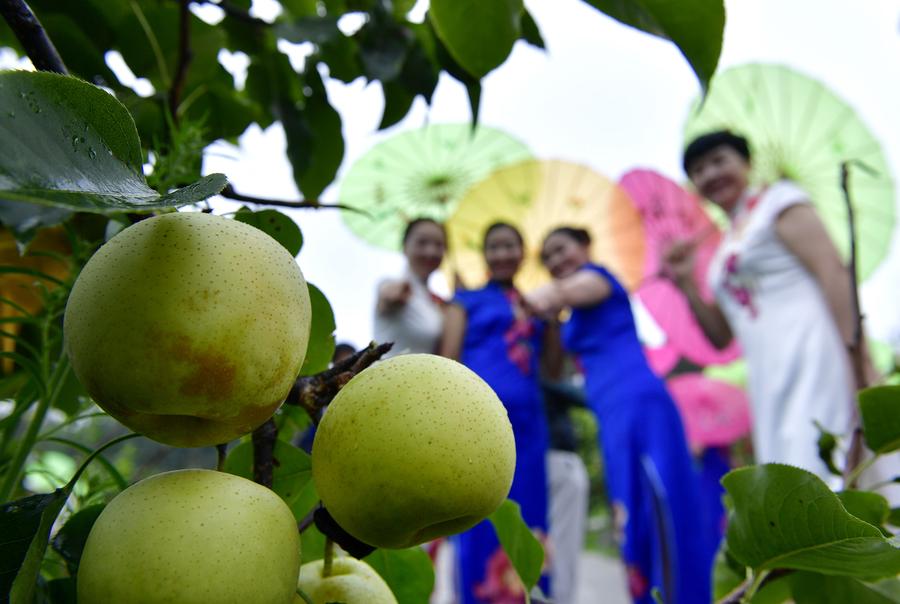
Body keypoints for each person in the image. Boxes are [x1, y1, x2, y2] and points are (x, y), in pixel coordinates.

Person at [663, 130, 871, 482]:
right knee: (790, 470)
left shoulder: (780, 202)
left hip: (812, 352)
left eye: (719, 161)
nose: (711, 174)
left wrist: (858, 356)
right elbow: (720, 335)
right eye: (699, 170)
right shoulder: (725, 243)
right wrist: (686, 283)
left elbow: (832, 272)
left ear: (746, 163)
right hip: (766, 372)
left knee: (826, 459)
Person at [530, 226, 713, 604]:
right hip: (609, 412)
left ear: (585, 246)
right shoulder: (568, 314)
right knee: (627, 506)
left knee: (659, 498)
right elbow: (552, 369)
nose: (555, 261)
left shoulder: (599, 279)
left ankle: (684, 595)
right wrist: (547, 319)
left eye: (561, 249)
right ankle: (648, 594)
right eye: (547, 258)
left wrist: (545, 296)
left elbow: (571, 290)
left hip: (638, 400)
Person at [440, 222, 555, 603]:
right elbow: (447, 361)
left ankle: (529, 595)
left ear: (523, 253)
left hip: (529, 426)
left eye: (510, 246)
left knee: (529, 516)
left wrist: (552, 318)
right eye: (495, 247)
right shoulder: (464, 300)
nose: (503, 254)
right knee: (479, 511)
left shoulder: (536, 305)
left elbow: (553, 370)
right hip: (478, 420)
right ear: (485, 255)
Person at [541, 379, 590, 604]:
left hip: (527, 464)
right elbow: (584, 397)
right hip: (560, 462)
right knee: (563, 544)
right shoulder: (541, 378)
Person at [374, 217, 447, 357]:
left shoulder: (434, 302)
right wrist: (392, 294)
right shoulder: (392, 284)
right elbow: (388, 296)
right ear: (405, 246)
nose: (430, 251)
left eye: (438, 244)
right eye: (422, 242)